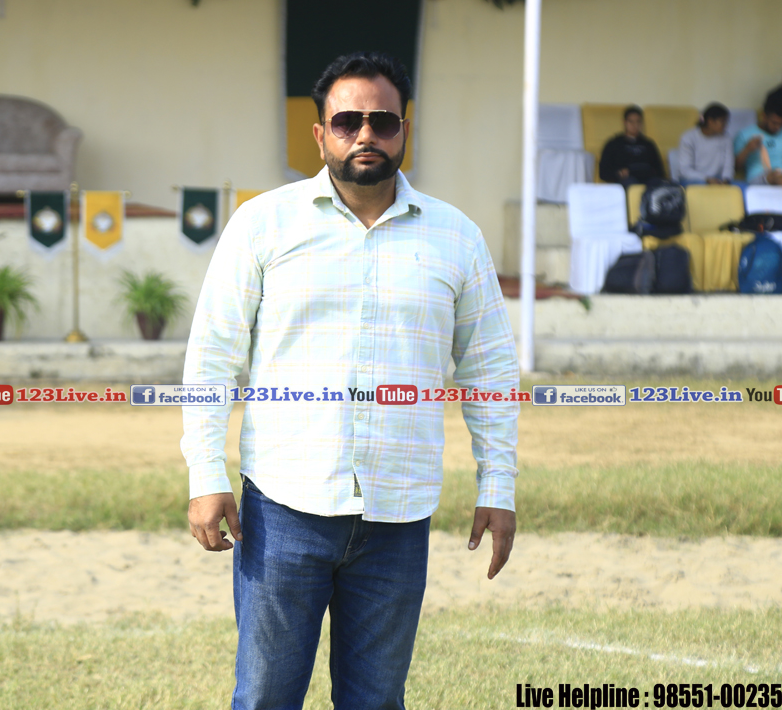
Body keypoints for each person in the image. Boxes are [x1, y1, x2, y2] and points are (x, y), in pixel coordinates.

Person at [181, 51, 519, 710]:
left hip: (399, 515)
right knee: (265, 699)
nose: (366, 134)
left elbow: (490, 371)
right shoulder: (263, 224)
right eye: (347, 122)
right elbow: (212, 357)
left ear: (404, 131)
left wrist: (498, 484)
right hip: (283, 510)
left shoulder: (456, 238)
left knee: (376, 702)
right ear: (320, 134)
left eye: (382, 121)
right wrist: (205, 474)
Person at [598, 105, 667, 185]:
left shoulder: (649, 144)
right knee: (630, 182)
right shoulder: (613, 144)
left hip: (649, 180)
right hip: (626, 181)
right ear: (625, 122)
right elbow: (603, 173)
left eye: (638, 121)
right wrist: (620, 173)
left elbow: (660, 172)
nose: (635, 125)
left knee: (660, 184)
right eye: (631, 121)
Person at [676, 102, 735, 184]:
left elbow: (728, 165)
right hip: (693, 180)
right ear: (710, 121)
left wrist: (726, 180)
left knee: (743, 187)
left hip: (717, 179)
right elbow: (685, 170)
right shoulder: (688, 138)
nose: (725, 125)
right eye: (722, 121)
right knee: (704, 188)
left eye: (726, 121)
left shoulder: (726, 138)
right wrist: (706, 179)